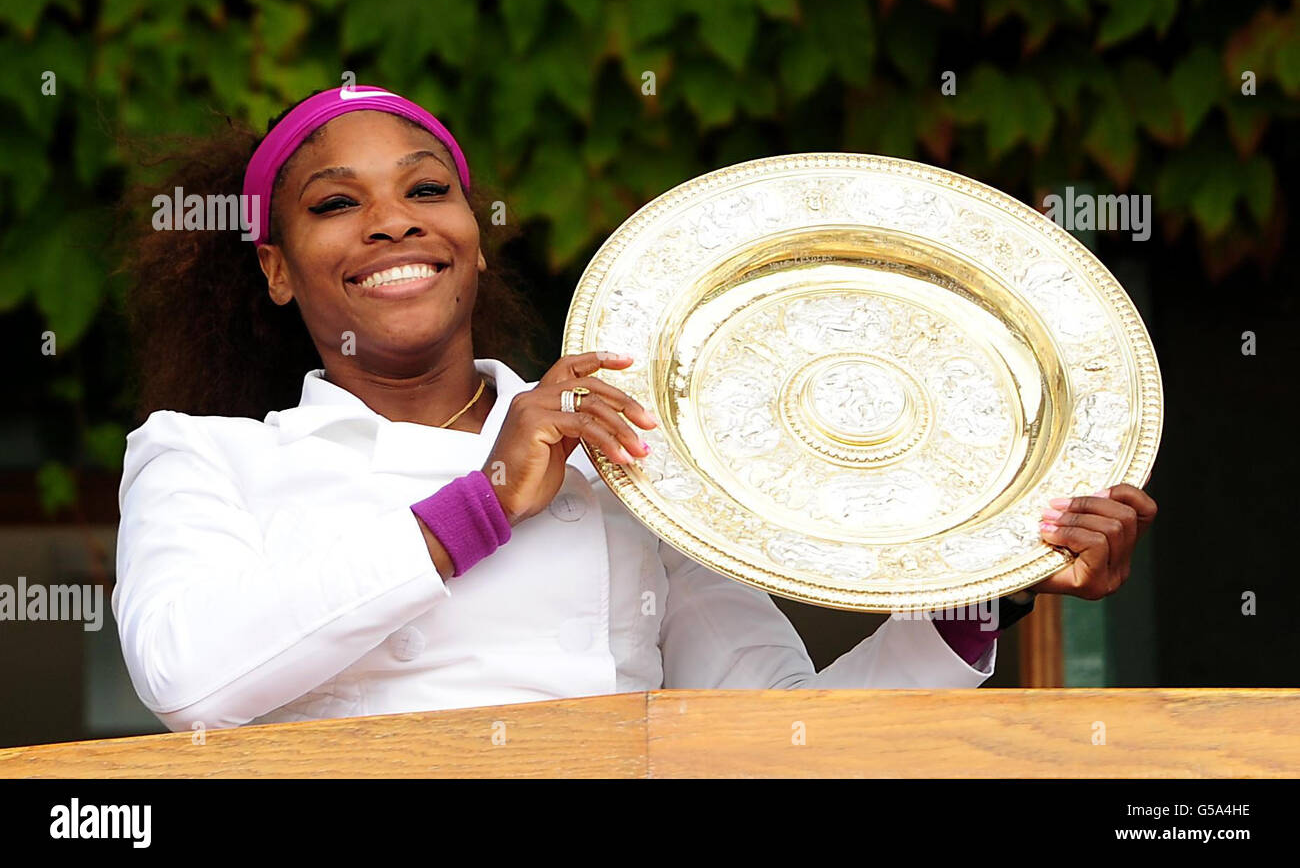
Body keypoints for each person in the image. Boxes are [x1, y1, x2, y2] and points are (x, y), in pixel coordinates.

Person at [113, 86, 1158, 731]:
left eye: (427, 192)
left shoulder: (626, 451)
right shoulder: (202, 457)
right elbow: (192, 677)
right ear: (278, 269)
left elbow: (781, 740)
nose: (392, 223)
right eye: (336, 204)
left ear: (473, 236)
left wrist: (989, 580)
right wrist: (482, 502)